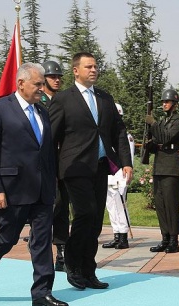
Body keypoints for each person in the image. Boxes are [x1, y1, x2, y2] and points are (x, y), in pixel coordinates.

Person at [0, 62, 68, 306]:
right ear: (21, 83)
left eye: (43, 83)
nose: (41, 88)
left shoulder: (43, 112)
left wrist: (53, 181)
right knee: (6, 239)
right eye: (37, 83)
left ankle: (42, 292)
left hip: (43, 190)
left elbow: (46, 152)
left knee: (42, 241)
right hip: (12, 190)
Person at [50, 52, 132, 290]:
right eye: (89, 67)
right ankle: (72, 266)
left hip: (99, 166)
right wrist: (52, 170)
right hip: (73, 168)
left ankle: (88, 270)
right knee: (85, 214)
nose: (94, 70)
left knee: (95, 220)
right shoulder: (63, 99)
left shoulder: (105, 98)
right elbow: (51, 138)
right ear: (76, 70)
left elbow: (118, 131)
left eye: (96, 66)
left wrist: (126, 161)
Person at [144, 89, 179, 253]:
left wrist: (153, 124)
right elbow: (156, 141)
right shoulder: (162, 122)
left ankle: (174, 240)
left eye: (167, 102)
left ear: (174, 104)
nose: (164, 104)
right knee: (160, 204)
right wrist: (149, 143)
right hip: (160, 165)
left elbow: (166, 138)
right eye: (163, 102)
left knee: (170, 204)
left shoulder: (178, 122)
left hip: (171, 167)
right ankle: (165, 237)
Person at [38, 60, 69, 272]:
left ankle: (61, 251)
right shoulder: (36, 102)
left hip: (60, 161)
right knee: (40, 209)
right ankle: (39, 247)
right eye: (52, 77)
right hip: (40, 162)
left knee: (61, 207)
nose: (56, 80)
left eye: (59, 77)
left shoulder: (66, 100)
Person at [102, 103, 136, 250]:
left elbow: (129, 158)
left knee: (119, 203)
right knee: (111, 203)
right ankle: (116, 233)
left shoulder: (126, 137)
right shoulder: (108, 136)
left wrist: (125, 176)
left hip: (120, 175)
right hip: (111, 175)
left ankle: (123, 236)